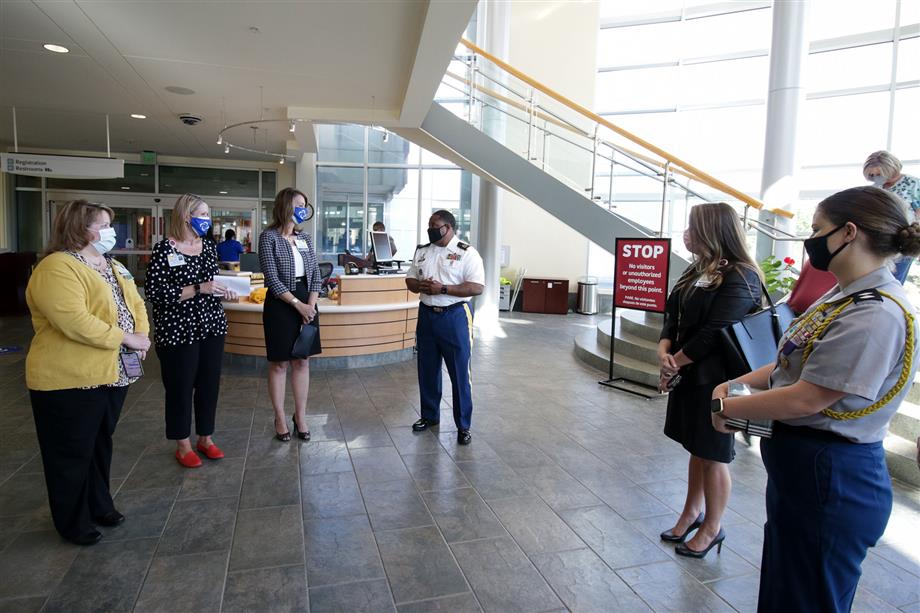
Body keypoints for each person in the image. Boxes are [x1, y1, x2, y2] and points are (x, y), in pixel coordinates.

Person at [709, 186, 920, 612]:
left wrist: (725, 408)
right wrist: (735, 384)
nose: (811, 240)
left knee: (808, 599)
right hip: (806, 470)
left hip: (833, 474)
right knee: (787, 591)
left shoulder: (875, 312)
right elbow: (793, 362)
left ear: (849, 233)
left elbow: (808, 397)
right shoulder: (844, 294)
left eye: (817, 229)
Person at [25, 200, 151, 545]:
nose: (111, 232)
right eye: (103, 225)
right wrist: (127, 337)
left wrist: (142, 336)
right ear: (81, 228)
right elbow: (74, 321)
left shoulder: (111, 265)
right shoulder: (57, 267)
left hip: (112, 373)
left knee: (99, 444)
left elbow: (135, 303)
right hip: (69, 377)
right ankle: (72, 521)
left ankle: (99, 504)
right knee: (70, 452)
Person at [657, 202, 763, 558]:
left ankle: (712, 526)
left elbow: (715, 332)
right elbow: (673, 313)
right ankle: (691, 513)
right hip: (689, 373)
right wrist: (664, 350)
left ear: (713, 229)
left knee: (714, 453)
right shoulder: (697, 269)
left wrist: (676, 363)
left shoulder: (742, 275)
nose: (686, 233)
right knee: (696, 448)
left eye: (692, 226)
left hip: (718, 380)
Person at [146, 194, 236, 468]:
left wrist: (224, 291)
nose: (207, 220)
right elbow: (155, 293)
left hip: (210, 326)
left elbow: (212, 284)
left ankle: (205, 438)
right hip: (177, 330)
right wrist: (199, 288)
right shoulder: (165, 250)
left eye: (208, 215)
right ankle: (182, 443)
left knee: (209, 384)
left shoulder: (208, 247)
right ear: (186, 216)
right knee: (181, 386)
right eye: (203, 214)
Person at [406, 210, 484, 445]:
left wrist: (442, 289)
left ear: (449, 228)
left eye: (435, 225)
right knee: (427, 368)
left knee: (459, 372)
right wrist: (421, 285)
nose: (430, 228)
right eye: (429, 224)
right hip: (427, 316)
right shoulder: (422, 251)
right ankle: (429, 416)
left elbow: (476, 287)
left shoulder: (466, 253)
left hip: (455, 316)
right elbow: (409, 280)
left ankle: (463, 425)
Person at [258, 187, 322, 442]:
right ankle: (280, 418)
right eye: (298, 204)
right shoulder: (269, 237)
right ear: (285, 206)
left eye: (305, 205)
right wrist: (299, 305)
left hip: (308, 301)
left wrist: (311, 305)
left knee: (302, 361)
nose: (303, 209)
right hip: (281, 303)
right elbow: (272, 279)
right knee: (280, 363)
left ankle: (301, 416)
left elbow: (316, 275)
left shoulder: (305, 240)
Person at [863, 150, 920, 283]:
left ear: (890, 168)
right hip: (877, 239)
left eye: (879, 173)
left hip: (904, 239)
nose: (876, 177)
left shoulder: (914, 185)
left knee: (893, 281)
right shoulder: (876, 188)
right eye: (872, 175)